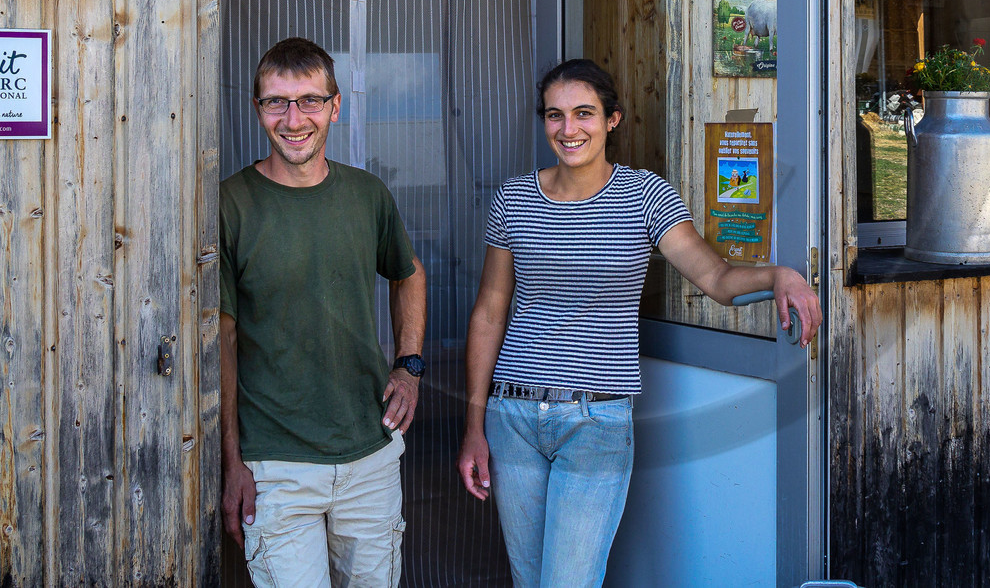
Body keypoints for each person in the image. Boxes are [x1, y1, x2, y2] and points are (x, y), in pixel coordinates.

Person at [455, 58, 823, 587]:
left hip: (596, 422)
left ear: (612, 120)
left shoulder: (645, 196)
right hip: (511, 416)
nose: (568, 129)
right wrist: (473, 426)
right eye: (555, 116)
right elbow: (490, 311)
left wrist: (780, 275)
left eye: (584, 114)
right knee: (528, 579)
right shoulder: (514, 199)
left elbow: (716, 278)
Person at [220, 36, 428, 588]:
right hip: (276, 465)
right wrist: (232, 461)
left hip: (370, 455)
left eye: (310, 100)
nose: (294, 119)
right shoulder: (229, 205)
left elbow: (409, 273)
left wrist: (409, 366)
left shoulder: (367, 195)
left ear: (336, 106)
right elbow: (221, 338)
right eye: (276, 102)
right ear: (257, 108)